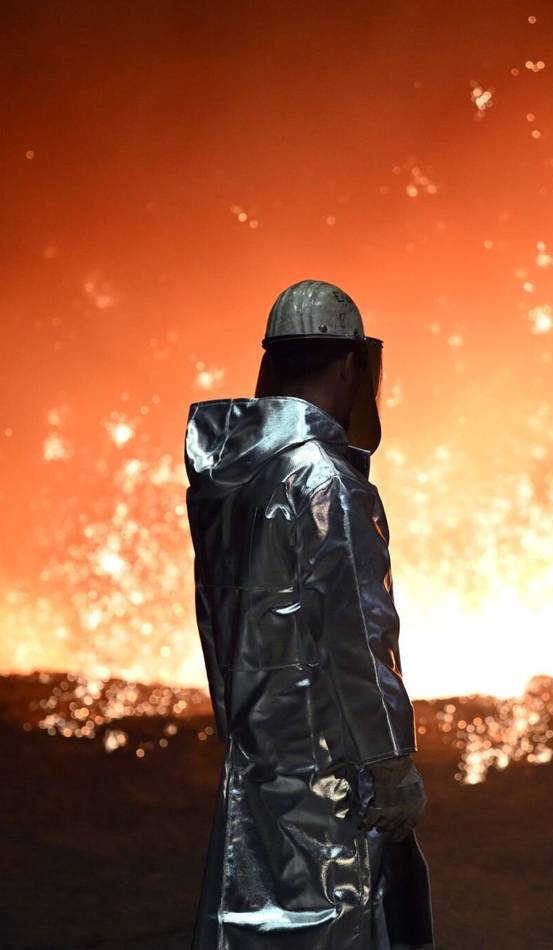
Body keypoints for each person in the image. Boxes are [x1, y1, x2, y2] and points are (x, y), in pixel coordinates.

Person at [184, 279, 434, 949]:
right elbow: (356, 630)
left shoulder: (236, 478)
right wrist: (388, 764)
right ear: (353, 364)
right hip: (331, 781)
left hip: (258, 766)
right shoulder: (322, 478)